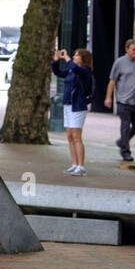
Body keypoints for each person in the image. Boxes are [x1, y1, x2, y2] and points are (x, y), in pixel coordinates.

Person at [54, 47, 94, 176]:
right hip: (68, 105)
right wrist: (55, 61)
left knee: (77, 137)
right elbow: (59, 73)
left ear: (83, 59)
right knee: (70, 137)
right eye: (74, 55)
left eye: (76, 55)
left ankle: (81, 167)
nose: (74, 57)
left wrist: (66, 57)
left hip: (78, 106)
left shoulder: (85, 71)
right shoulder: (71, 70)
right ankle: (74, 164)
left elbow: (75, 68)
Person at [105, 39, 135, 163]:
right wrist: (108, 97)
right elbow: (112, 81)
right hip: (123, 100)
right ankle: (125, 152)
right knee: (125, 126)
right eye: (133, 49)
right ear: (127, 49)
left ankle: (122, 141)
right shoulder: (119, 63)